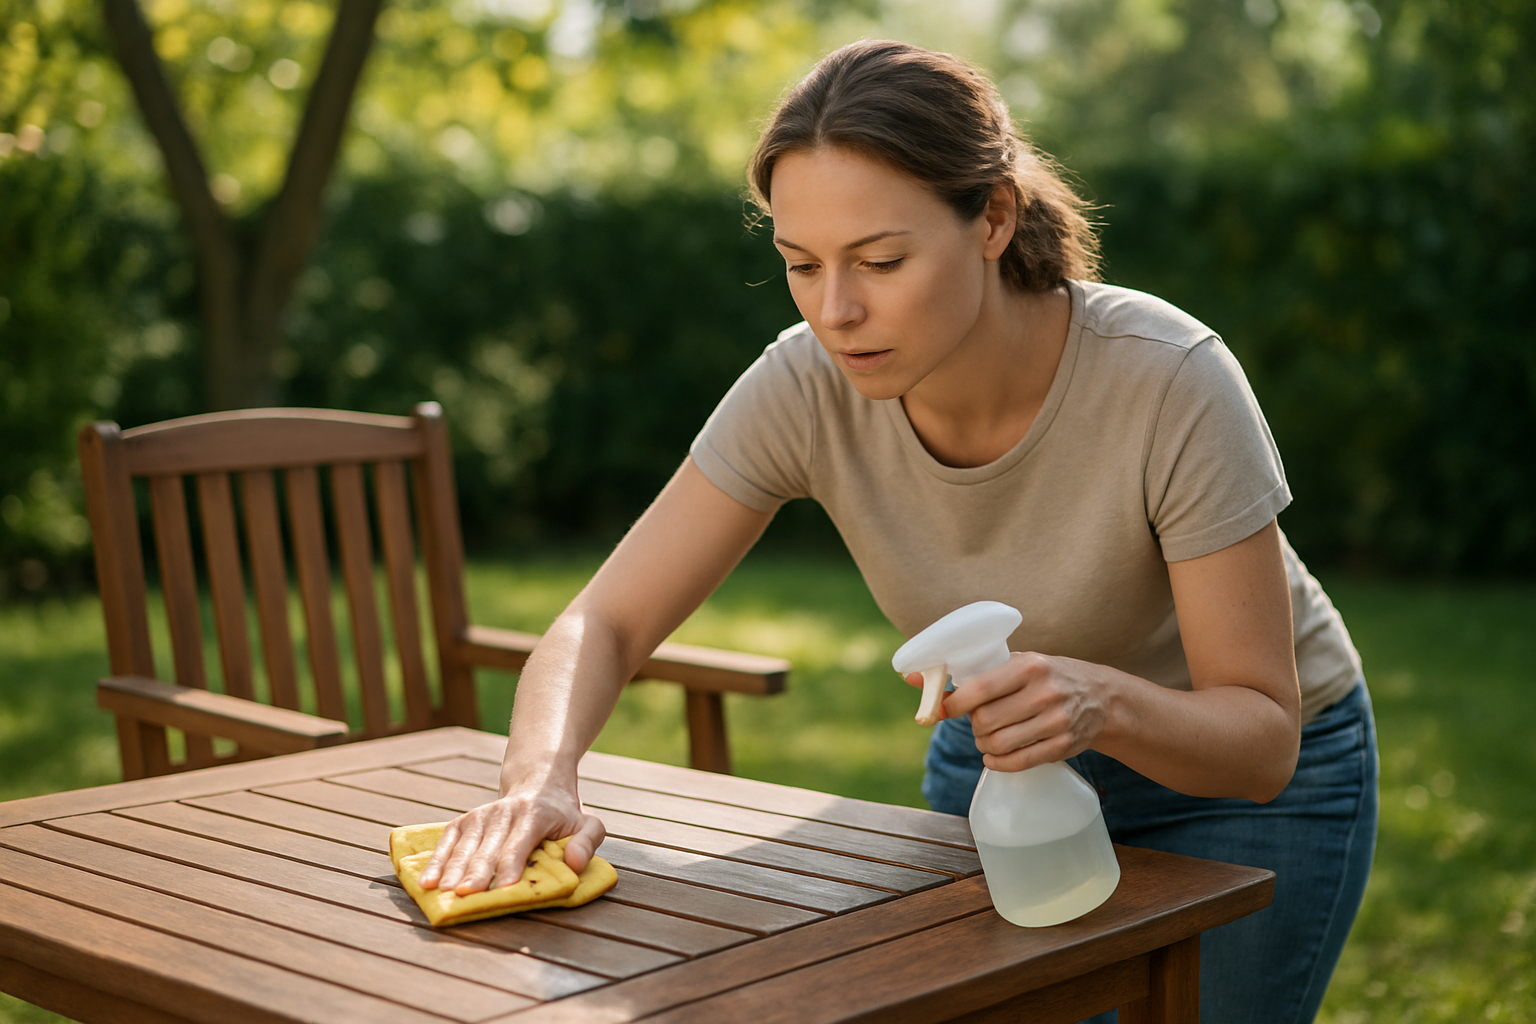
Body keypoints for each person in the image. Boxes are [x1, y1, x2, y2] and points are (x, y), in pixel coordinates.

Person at [419, 39, 1378, 1024]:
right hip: (1000, 774)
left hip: (1241, 792)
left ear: (993, 219)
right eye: (800, 264)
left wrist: (1099, 701)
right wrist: (539, 781)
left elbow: (1263, 737)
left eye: (881, 260)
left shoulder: (1168, 380)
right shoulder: (803, 387)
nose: (837, 311)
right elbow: (606, 621)